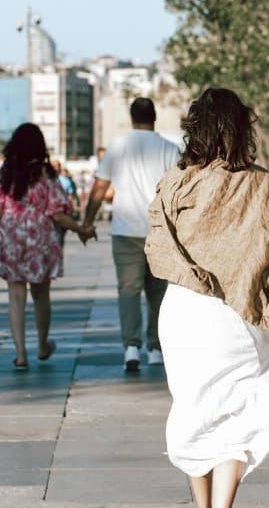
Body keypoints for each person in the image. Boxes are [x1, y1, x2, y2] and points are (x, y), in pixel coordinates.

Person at [145, 87, 269, 507]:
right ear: (240, 129)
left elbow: (157, 247)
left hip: (182, 311)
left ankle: (202, 503)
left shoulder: (176, 182)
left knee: (193, 409)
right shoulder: (263, 184)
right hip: (239, 313)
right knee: (238, 411)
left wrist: (193, 271)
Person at [0, 123, 95, 370]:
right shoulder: (46, 174)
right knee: (41, 295)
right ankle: (42, 345)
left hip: (11, 236)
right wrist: (80, 229)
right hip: (40, 237)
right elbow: (57, 213)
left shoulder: (5, 173)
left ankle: (20, 354)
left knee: (15, 296)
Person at [82, 98, 182, 372]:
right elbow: (179, 194)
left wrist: (87, 222)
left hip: (125, 230)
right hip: (161, 231)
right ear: (155, 117)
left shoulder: (117, 147)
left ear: (131, 117)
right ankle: (156, 348)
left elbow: (100, 187)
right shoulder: (170, 149)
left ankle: (131, 347)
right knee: (158, 293)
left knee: (128, 290)